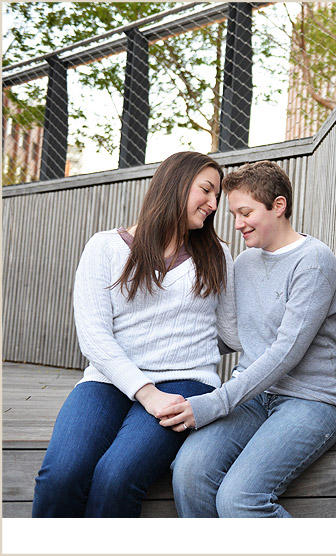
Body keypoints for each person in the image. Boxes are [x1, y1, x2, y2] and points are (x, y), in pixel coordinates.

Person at [31, 151, 240, 518]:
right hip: (108, 381)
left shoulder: (218, 255)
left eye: (217, 197)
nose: (213, 204)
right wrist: (146, 392)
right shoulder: (105, 247)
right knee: (60, 476)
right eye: (206, 190)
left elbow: (230, 334)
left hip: (184, 383)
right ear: (174, 184)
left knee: (116, 475)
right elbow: (94, 337)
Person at [158, 160, 336, 518]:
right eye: (233, 213)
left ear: (278, 206)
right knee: (188, 473)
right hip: (254, 396)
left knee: (239, 498)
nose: (237, 224)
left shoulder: (314, 262)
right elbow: (230, 336)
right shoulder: (244, 264)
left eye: (245, 212)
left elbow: (285, 353)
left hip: (309, 400)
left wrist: (213, 403)